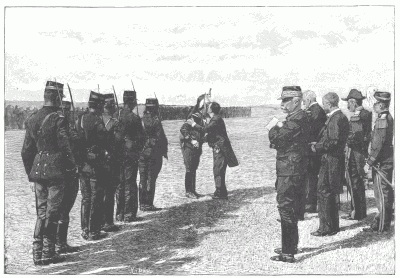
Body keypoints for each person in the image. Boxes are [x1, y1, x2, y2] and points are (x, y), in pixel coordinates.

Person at [21, 81, 76, 265]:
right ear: (58, 98)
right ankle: (49, 252)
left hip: (38, 171)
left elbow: (26, 151)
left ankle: (37, 253)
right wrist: (71, 166)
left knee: (41, 212)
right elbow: (65, 147)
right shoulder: (59, 118)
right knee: (53, 212)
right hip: (56, 172)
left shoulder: (33, 118)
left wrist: (32, 173)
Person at [267, 86, 309, 263]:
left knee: (286, 208)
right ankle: (291, 246)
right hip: (295, 168)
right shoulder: (299, 117)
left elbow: (277, 139)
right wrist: (281, 126)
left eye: (286, 100)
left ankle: (287, 252)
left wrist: (273, 127)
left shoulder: (296, 119)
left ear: (296, 101)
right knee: (291, 208)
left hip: (289, 170)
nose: (283, 104)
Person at [310, 92, 349, 237]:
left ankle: (326, 228)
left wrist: (317, 147)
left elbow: (333, 142)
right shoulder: (340, 117)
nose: (323, 106)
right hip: (335, 159)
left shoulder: (335, 118)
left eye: (324, 103)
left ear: (329, 104)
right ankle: (333, 226)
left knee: (323, 191)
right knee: (331, 192)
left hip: (330, 160)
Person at [188, 102, 238, 200]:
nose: (207, 108)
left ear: (211, 109)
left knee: (218, 169)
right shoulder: (215, 118)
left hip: (220, 147)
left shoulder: (216, 119)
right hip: (219, 146)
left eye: (209, 107)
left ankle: (220, 192)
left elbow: (206, 129)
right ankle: (221, 191)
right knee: (219, 169)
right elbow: (211, 133)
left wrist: (193, 124)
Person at [78, 91, 109, 240]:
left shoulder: (80, 119)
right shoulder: (98, 121)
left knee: (85, 198)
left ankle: (85, 229)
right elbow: (105, 141)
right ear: (98, 106)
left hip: (83, 163)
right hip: (96, 163)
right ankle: (93, 230)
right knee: (96, 197)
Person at [363, 91, 393, 233]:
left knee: (382, 194)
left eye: (375, 103)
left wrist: (369, 162)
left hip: (382, 162)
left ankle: (382, 226)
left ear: (381, 105)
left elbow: (378, 144)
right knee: (382, 193)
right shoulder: (384, 117)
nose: (374, 106)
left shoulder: (383, 119)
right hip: (383, 161)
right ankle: (380, 223)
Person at [341, 89, 372, 221]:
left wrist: (344, 139)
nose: (348, 106)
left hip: (356, 153)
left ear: (353, 102)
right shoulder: (366, 114)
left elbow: (356, 136)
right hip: (359, 152)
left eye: (349, 103)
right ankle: (359, 211)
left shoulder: (359, 115)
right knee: (356, 182)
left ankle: (357, 213)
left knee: (354, 182)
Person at [55, 101, 81, 254]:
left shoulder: (66, 126)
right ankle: (60, 244)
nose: (68, 113)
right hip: (67, 170)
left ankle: (59, 243)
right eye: (66, 110)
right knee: (63, 208)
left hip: (61, 170)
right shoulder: (64, 127)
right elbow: (71, 146)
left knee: (61, 209)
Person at [116, 90, 145, 220]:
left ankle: (119, 214)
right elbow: (142, 138)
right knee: (130, 184)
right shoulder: (134, 118)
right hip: (130, 155)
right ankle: (129, 214)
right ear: (132, 102)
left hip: (117, 155)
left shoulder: (116, 115)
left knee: (120, 184)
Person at [139, 98, 168, 211]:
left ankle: (142, 203)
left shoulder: (141, 119)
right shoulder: (155, 120)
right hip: (153, 153)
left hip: (142, 153)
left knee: (142, 179)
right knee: (151, 179)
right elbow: (160, 138)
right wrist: (164, 150)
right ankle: (148, 204)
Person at [303, 90, 327, 213]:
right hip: (313, 148)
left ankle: (311, 203)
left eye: (304, 101)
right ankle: (310, 202)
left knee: (311, 176)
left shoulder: (315, 110)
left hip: (314, 150)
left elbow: (312, 131)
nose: (303, 103)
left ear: (308, 100)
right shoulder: (315, 110)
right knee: (310, 176)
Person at [101, 93, 121, 231]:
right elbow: (118, 141)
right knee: (109, 192)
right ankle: (107, 222)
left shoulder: (97, 119)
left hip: (98, 160)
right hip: (110, 161)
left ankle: (98, 223)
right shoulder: (113, 122)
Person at [180, 112, 205, 198]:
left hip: (196, 150)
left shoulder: (198, 124)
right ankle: (188, 191)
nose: (196, 120)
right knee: (189, 169)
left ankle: (193, 190)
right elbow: (183, 131)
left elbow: (202, 134)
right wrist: (192, 140)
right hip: (189, 149)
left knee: (193, 169)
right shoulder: (188, 123)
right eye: (195, 118)